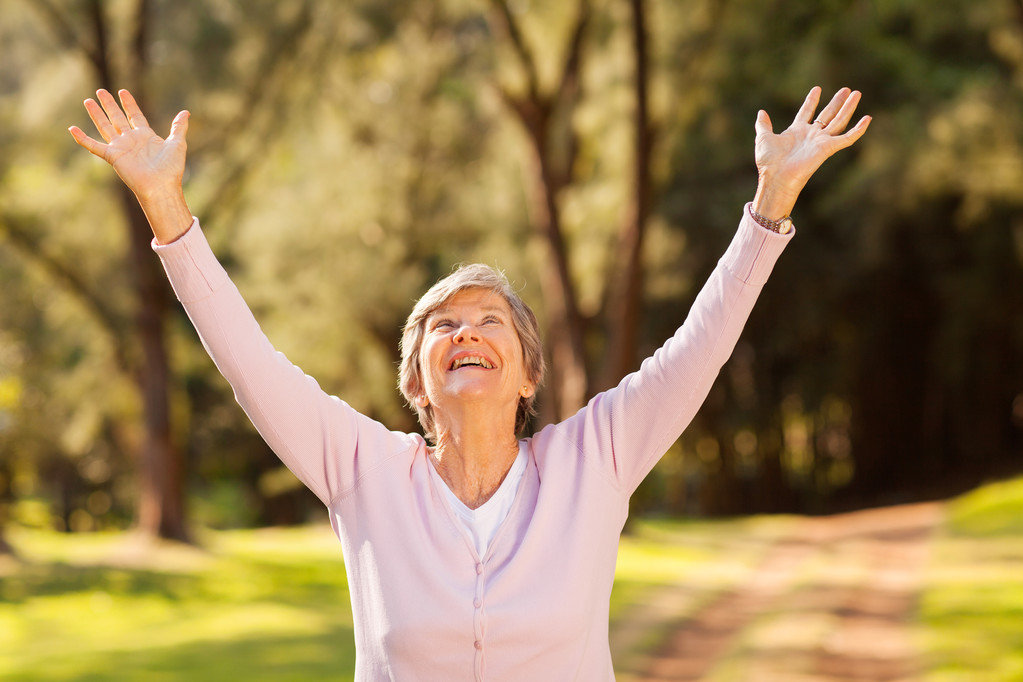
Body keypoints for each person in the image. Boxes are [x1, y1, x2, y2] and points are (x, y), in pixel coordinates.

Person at [70, 85, 869, 680]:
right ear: (416, 382)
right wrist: (164, 205)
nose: (466, 332)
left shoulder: (593, 461)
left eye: (491, 321)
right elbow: (247, 359)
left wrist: (768, 208)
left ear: (527, 375)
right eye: (441, 326)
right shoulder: (363, 470)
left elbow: (698, 348)